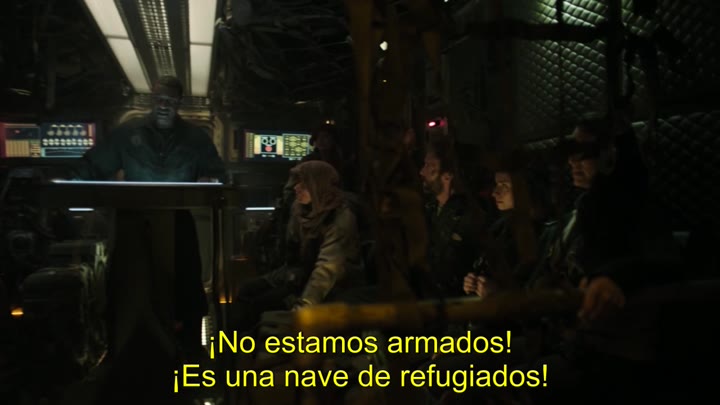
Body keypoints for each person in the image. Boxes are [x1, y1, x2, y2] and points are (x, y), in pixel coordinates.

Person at [71, 75, 226, 361]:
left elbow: (219, 174)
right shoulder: (127, 134)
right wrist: (64, 185)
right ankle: (127, 351)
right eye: (159, 99)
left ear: (179, 103)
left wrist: (214, 183)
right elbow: (91, 166)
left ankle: (190, 349)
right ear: (152, 99)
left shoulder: (195, 139)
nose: (164, 105)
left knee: (187, 289)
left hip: (178, 221)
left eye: (170, 100)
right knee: (130, 287)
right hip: (134, 225)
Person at [231, 160, 363, 331]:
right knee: (246, 291)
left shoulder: (340, 218)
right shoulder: (300, 209)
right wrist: (276, 279)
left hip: (332, 287)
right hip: (299, 276)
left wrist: (303, 306)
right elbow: (294, 260)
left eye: (303, 183)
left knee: (261, 305)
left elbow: (327, 271)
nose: (296, 187)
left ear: (318, 185)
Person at [419, 137, 490, 299]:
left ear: (447, 176)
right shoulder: (429, 210)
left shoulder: (469, 216)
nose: (422, 172)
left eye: (430, 166)